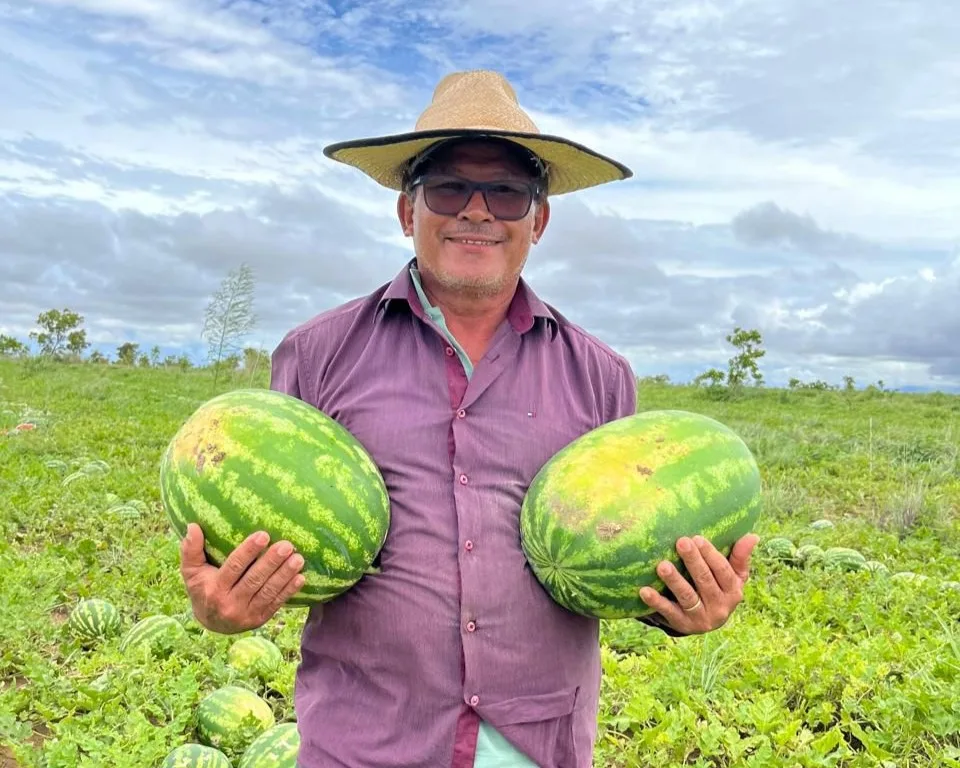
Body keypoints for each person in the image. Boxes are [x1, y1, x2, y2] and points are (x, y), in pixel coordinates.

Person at [178, 69, 760, 768]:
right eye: (449, 188)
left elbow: (626, 552)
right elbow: (269, 531)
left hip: (535, 744)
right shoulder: (317, 354)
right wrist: (220, 607)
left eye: (507, 192)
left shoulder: (601, 376)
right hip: (364, 741)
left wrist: (682, 612)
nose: (476, 211)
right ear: (408, 211)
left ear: (538, 220)